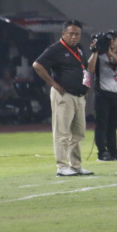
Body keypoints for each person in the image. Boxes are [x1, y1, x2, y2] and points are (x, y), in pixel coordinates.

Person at [32, 20, 95, 177]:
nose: (74, 37)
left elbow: (86, 69)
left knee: (78, 133)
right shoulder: (55, 49)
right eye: (71, 33)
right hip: (64, 94)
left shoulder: (79, 49)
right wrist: (53, 83)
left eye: (77, 34)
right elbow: (37, 65)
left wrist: (86, 86)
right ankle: (61, 166)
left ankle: (76, 165)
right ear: (63, 34)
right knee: (62, 132)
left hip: (79, 95)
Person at [88, 31, 117, 162]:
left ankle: (113, 152)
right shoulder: (99, 56)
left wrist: (111, 53)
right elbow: (90, 68)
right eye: (109, 39)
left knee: (113, 125)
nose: (111, 42)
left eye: (114, 39)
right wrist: (95, 51)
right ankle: (102, 152)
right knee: (101, 125)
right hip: (102, 93)